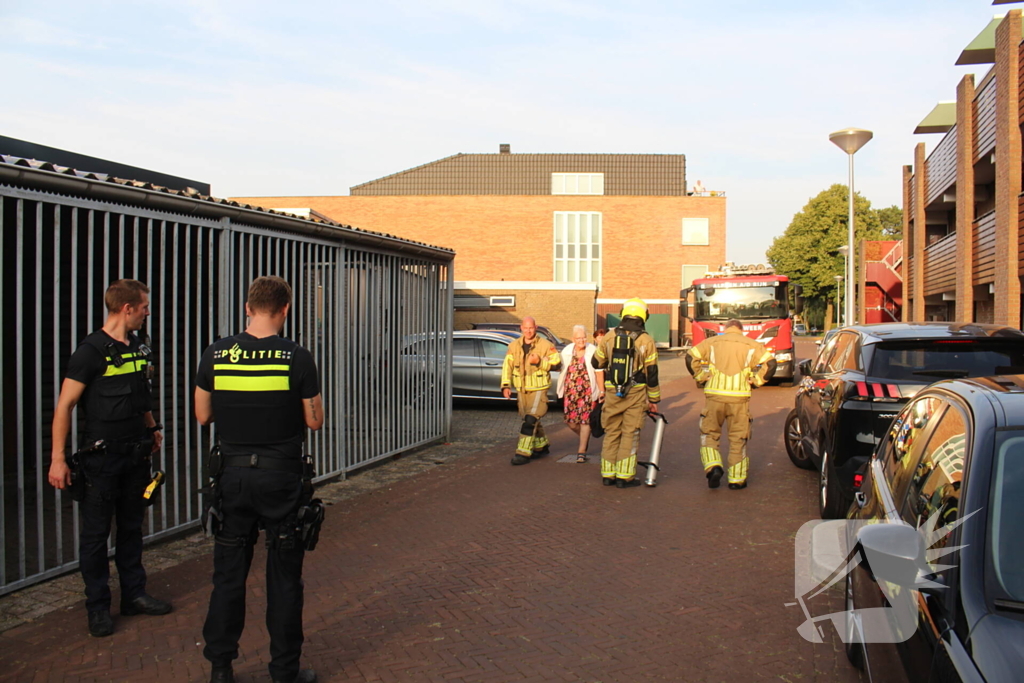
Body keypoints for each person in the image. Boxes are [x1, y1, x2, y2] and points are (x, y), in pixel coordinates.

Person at [195, 276, 324, 683]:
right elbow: (314, 421)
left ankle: (220, 669)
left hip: (231, 478)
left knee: (227, 577)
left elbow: (203, 415)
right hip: (280, 480)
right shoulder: (297, 358)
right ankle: (284, 671)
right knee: (284, 578)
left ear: (247, 307)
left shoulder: (216, 354)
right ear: (285, 309)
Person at [47, 279, 171, 638]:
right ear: (127, 308)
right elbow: (65, 406)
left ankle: (134, 595)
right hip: (101, 461)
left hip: (135, 456)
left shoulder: (139, 346)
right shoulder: (90, 351)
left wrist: (151, 429)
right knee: (96, 535)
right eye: (144, 306)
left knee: (132, 529)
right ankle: (97, 607)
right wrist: (58, 459)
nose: (148, 312)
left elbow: (140, 394)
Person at [687, 318, 775, 490]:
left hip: (714, 397)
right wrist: (756, 381)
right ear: (741, 330)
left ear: (726, 329)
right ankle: (736, 480)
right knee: (738, 438)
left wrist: (701, 377)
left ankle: (713, 466)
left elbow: (690, 357)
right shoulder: (752, 345)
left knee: (709, 434)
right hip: (739, 398)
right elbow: (770, 364)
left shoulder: (712, 342)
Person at [591, 298, 661, 488]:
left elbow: (596, 363)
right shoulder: (646, 340)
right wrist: (653, 399)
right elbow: (652, 373)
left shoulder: (609, 337)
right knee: (630, 432)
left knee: (612, 432)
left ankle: (608, 474)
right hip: (636, 393)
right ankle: (625, 476)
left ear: (623, 314)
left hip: (613, 391)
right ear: (644, 316)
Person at [500, 316, 561, 465]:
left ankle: (522, 453)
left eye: (531, 328)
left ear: (536, 328)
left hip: (539, 388)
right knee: (529, 418)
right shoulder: (513, 346)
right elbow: (507, 366)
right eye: (526, 328)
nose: (528, 331)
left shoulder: (546, 345)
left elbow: (557, 364)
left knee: (530, 419)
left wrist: (539, 362)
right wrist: (506, 385)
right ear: (521, 328)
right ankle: (541, 446)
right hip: (522, 388)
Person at [556, 325, 604, 462]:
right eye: (578, 338)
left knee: (585, 421)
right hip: (570, 392)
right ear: (573, 339)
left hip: (587, 392)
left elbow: (599, 372)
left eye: (583, 337)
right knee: (571, 422)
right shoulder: (566, 351)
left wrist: (601, 391)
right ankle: (585, 438)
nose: (581, 340)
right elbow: (559, 366)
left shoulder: (593, 351)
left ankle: (581, 451)